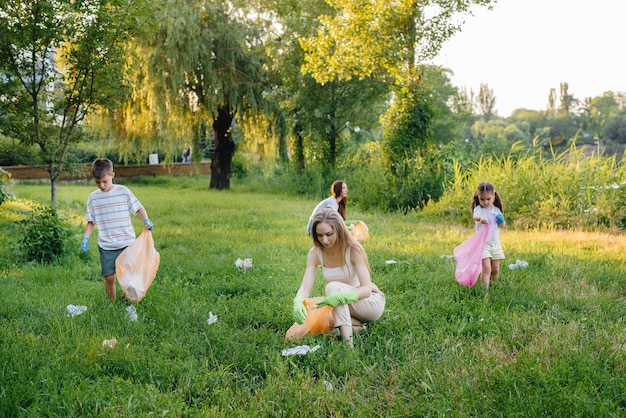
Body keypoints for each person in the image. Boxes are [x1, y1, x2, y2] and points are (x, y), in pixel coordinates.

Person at [293, 208, 385, 346]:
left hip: (369, 303)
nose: (324, 240)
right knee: (316, 319)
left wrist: (342, 297)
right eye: (319, 235)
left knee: (332, 287)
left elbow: (367, 289)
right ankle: (356, 327)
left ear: (339, 230)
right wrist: (298, 301)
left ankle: (348, 345)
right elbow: (305, 286)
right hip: (346, 306)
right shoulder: (315, 253)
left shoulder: (353, 250)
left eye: (329, 234)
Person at [81, 158, 154, 301]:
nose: (101, 185)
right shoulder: (93, 198)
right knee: (109, 277)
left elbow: (138, 208)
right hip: (106, 245)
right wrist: (86, 237)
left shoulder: (123, 191)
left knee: (128, 276)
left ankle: (129, 303)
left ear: (112, 175)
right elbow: (91, 221)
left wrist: (146, 219)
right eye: (98, 182)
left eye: (105, 181)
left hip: (126, 242)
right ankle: (111, 305)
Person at [471, 181, 506, 290]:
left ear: (493, 196)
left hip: (495, 243)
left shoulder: (496, 210)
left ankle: (494, 287)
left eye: (488, 199)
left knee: (495, 269)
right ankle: (484, 292)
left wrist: (501, 221)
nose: (485, 202)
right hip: (483, 244)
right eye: (482, 199)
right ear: (478, 196)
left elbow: (502, 226)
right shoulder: (479, 210)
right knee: (487, 268)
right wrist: (482, 218)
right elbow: (475, 216)